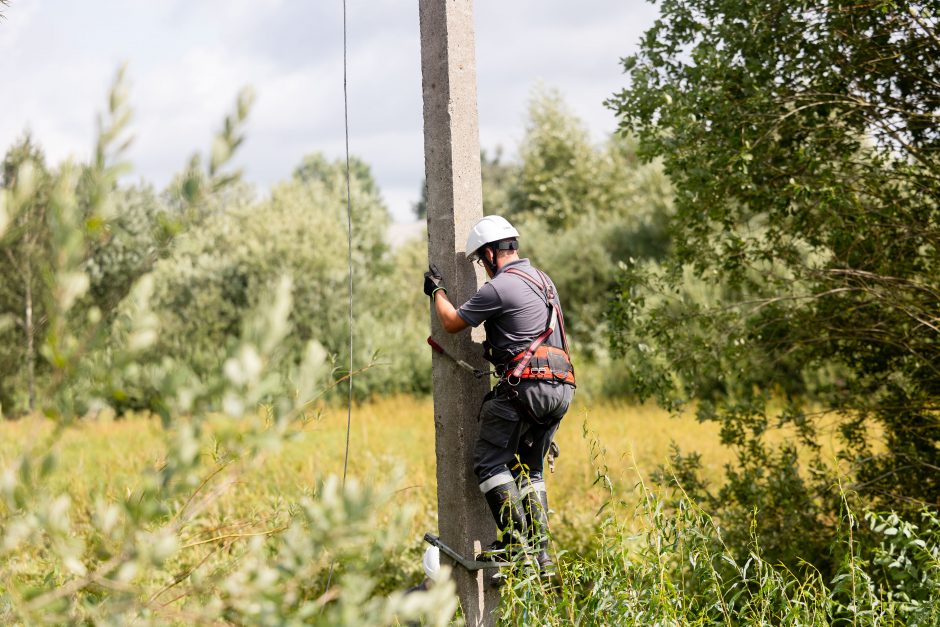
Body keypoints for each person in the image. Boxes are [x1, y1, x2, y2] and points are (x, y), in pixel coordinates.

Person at [422, 215, 575, 579]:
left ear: (491, 253)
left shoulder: (500, 287)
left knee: (490, 462)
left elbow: (452, 323)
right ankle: (541, 554)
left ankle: (515, 541)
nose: (482, 268)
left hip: (528, 388)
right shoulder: (543, 281)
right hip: (561, 389)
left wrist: (436, 291)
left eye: (480, 260)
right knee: (529, 468)